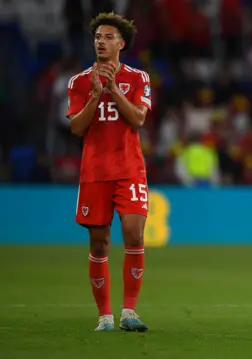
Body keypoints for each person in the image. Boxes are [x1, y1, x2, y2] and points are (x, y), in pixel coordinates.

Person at [67, 12, 152, 332]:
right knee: (99, 244)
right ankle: (104, 316)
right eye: (97, 37)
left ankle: (129, 312)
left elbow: (138, 119)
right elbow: (76, 127)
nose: (100, 42)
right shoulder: (79, 81)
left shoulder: (138, 78)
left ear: (122, 44)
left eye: (107, 37)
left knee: (134, 233)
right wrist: (95, 94)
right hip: (94, 172)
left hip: (129, 170)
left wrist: (114, 89)